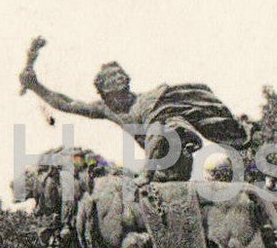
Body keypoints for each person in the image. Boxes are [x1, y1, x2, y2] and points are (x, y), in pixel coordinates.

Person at [20, 37, 249, 182]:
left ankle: (148, 173)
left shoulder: (150, 101)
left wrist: (147, 173)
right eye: (112, 96)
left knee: (159, 130)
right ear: (106, 95)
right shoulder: (108, 109)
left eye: (121, 92)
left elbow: (166, 127)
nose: (118, 99)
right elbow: (67, 103)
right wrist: (36, 85)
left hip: (173, 160)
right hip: (162, 173)